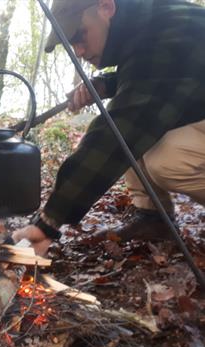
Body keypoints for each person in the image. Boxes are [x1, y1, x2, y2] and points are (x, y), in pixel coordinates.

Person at [13, 0, 205, 255]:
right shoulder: (149, 24)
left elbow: (121, 129)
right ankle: (153, 218)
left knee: (167, 158)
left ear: (106, 7)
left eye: (80, 36)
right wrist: (105, 85)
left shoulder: (171, 32)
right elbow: (161, 74)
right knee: (140, 128)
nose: (78, 51)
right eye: (72, 44)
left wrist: (49, 221)